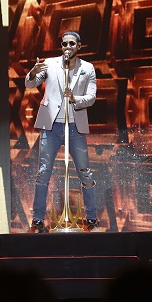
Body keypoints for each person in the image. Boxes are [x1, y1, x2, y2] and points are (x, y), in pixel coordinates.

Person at [25, 30, 98, 233]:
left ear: (79, 46)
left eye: (71, 44)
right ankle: (38, 220)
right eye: (64, 44)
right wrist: (32, 72)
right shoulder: (50, 63)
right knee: (43, 172)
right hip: (52, 126)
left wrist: (76, 99)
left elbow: (91, 96)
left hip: (75, 127)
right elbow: (30, 83)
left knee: (84, 172)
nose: (67, 47)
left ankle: (91, 219)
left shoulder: (88, 68)